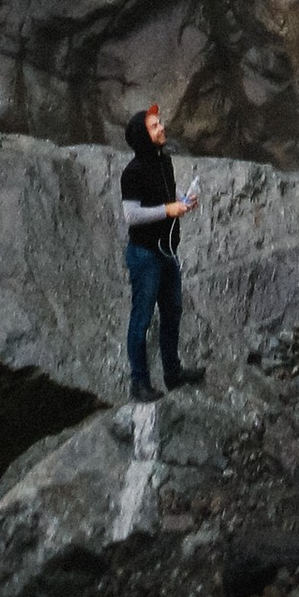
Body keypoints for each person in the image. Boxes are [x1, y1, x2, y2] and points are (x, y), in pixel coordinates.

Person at [117, 101, 206, 400]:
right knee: (141, 318)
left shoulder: (163, 161)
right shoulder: (132, 172)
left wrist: (182, 200)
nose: (162, 127)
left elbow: (165, 199)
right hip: (144, 254)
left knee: (172, 312)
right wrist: (169, 209)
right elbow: (131, 215)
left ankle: (173, 373)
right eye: (154, 126)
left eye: (160, 123)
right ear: (143, 136)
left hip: (167, 251)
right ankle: (139, 382)